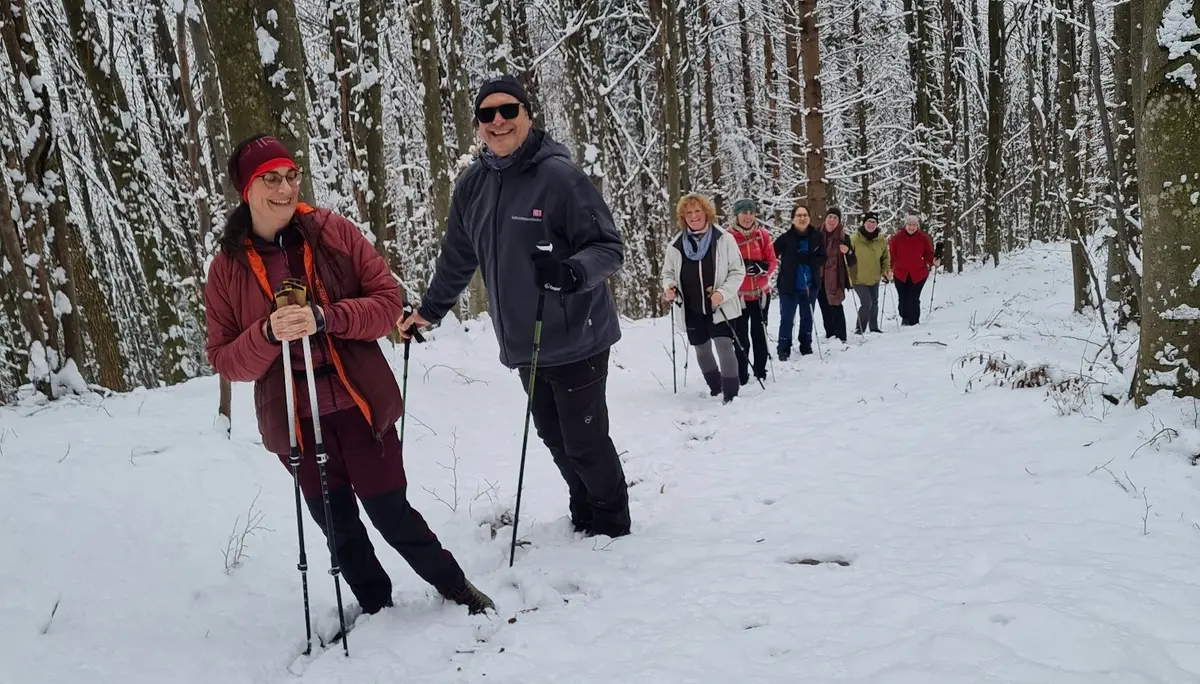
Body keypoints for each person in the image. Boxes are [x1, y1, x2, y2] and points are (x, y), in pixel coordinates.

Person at [203, 134, 493, 619]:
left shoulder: (332, 233)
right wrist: (267, 333)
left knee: (391, 513)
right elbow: (226, 360)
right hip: (295, 419)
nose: (284, 188)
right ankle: (377, 608)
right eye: (269, 179)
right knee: (337, 527)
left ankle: (455, 586)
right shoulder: (227, 269)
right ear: (245, 190)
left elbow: (384, 307)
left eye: (290, 175)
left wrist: (325, 317)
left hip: (359, 408)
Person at [396, 75, 631, 539]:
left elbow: (609, 247)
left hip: (577, 334)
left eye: (508, 111)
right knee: (554, 437)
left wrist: (572, 272)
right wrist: (430, 310)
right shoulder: (472, 186)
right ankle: (584, 511)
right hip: (526, 341)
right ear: (478, 125)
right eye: (487, 114)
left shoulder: (561, 178)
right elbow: (458, 258)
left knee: (584, 441)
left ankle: (612, 525)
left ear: (528, 115)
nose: (498, 121)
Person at [663, 193, 746, 404]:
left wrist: (722, 293)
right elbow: (668, 274)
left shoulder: (723, 239)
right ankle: (715, 387)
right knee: (701, 349)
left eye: (697, 211)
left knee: (724, 345)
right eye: (688, 213)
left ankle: (731, 394)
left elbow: (738, 271)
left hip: (720, 305)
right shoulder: (676, 246)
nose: (693, 216)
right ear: (683, 217)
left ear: (706, 212)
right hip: (691, 308)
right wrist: (669, 287)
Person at [727, 198, 777, 385]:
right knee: (740, 337)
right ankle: (741, 373)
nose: (748, 217)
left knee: (759, 333)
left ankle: (760, 370)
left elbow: (772, 261)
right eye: (743, 213)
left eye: (750, 213)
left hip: (760, 294)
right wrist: (742, 268)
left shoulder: (762, 234)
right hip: (738, 297)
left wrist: (761, 267)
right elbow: (724, 265)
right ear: (736, 215)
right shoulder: (728, 237)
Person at [772, 204, 826, 360]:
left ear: (809, 218)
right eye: (799, 215)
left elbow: (823, 258)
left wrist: (810, 260)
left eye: (805, 215)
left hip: (810, 285)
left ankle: (806, 344)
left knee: (807, 316)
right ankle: (783, 348)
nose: (802, 218)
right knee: (787, 318)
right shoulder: (785, 238)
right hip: (789, 286)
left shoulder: (817, 236)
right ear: (793, 219)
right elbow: (771, 256)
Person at [888, 215, 937, 326]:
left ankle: (914, 322)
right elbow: (892, 256)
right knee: (903, 298)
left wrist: (933, 260)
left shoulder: (923, 238)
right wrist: (889, 269)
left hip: (918, 273)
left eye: (914, 225)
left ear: (917, 226)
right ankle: (904, 317)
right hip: (901, 273)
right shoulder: (896, 238)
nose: (912, 227)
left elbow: (928, 254)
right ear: (905, 225)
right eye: (910, 225)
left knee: (914, 298)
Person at [816, 208, 856, 343]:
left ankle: (840, 336)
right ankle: (830, 334)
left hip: (836, 278)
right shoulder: (816, 235)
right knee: (824, 306)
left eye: (835, 218)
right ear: (825, 219)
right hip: (820, 277)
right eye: (830, 217)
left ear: (839, 222)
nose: (832, 220)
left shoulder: (844, 238)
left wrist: (848, 251)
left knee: (836, 305)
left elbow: (852, 260)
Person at [849, 211, 891, 334]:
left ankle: (874, 327)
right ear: (864, 223)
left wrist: (886, 271)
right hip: (858, 278)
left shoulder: (881, 239)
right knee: (867, 302)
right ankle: (860, 328)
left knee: (875, 303)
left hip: (874, 277)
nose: (871, 225)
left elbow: (885, 257)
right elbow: (847, 258)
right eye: (869, 222)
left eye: (874, 222)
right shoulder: (855, 238)